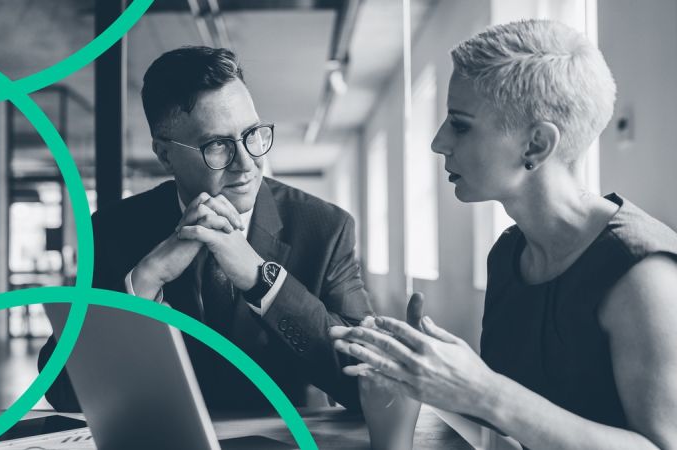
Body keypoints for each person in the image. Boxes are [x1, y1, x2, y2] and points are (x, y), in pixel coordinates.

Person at [331, 19, 677, 449]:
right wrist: (426, 373)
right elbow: (511, 432)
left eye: (460, 124)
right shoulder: (509, 254)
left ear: (535, 146)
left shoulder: (644, 276)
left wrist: (483, 390)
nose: (439, 142)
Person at [39, 46, 374, 412]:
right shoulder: (112, 230)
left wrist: (264, 281)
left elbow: (366, 382)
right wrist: (146, 279)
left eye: (253, 134)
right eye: (218, 145)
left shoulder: (326, 228)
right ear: (165, 155)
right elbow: (62, 391)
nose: (247, 163)